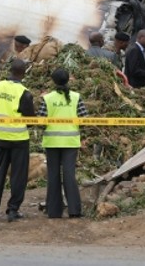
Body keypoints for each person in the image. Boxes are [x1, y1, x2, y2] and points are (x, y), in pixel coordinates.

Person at [0, 59, 35, 223]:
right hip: (19, 139)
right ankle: (13, 210)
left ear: (10, 71)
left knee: (0, 173)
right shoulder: (24, 92)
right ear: (23, 73)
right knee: (18, 176)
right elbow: (31, 120)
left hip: (0, 137)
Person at [38, 68, 87, 219]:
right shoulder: (76, 97)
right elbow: (84, 118)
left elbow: (40, 121)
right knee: (69, 175)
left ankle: (53, 211)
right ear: (68, 80)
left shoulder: (47, 98)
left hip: (52, 142)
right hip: (71, 142)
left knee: (53, 175)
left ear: (53, 81)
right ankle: (74, 210)